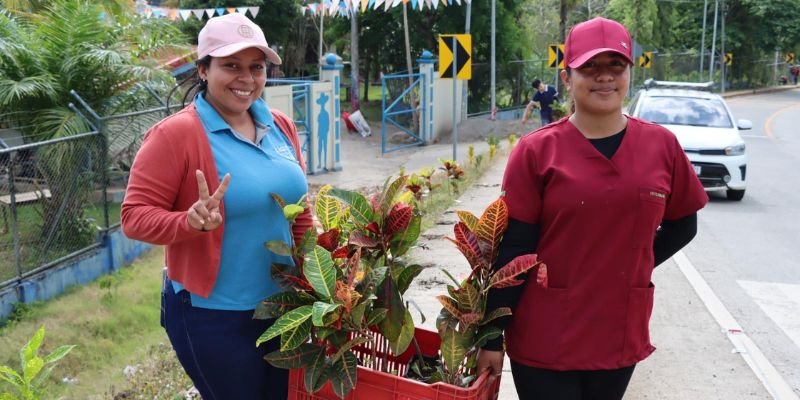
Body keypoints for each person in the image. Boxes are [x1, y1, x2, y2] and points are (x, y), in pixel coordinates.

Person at [477, 17, 708, 400]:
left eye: (615, 65)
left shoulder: (661, 147)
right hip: (546, 334)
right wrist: (491, 336)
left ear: (629, 71)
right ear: (567, 77)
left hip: (618, 330)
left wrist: (633, 266)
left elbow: (684, 225)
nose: (604, 77)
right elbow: (515, 249)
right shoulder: (537, 152)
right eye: (589, 67)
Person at [121, 12, 312, 400]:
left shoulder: (280, 125)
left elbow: (300, 213)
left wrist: (320, 275)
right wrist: (187, 222)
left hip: (285, 308)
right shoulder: (176, 135)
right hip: (213, 317)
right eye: (231, 66)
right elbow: (133, 217)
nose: (246, 78)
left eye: (256, 67)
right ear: (203, 70)